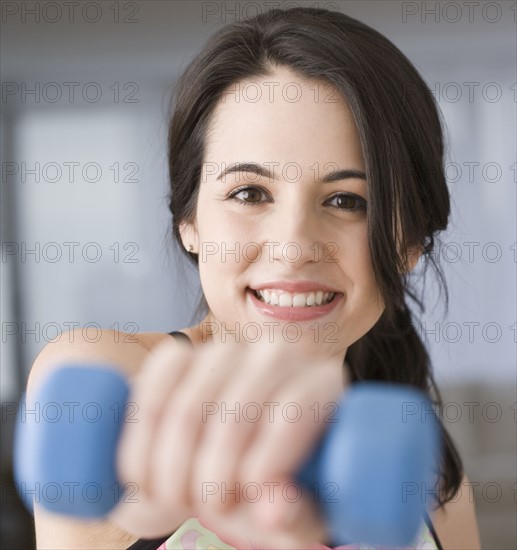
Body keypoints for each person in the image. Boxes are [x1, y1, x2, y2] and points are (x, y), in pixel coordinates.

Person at [27, 6, 481, 549]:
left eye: (347, 200)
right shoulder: (108, 379)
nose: (292, 249)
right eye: (249, 193)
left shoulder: (431, 487)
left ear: (411, 243)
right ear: (188, 221)